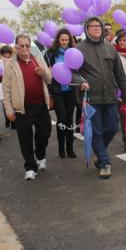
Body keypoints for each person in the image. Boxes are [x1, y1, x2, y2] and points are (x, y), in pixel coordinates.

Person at [73, 17, 126, 179]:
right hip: (91, 97)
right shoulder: (79, 49)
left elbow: (119, 73)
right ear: (86, 29)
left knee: (112, 127)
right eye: (93, 26)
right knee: (97, 131)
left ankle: (100, 153)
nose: (97, 28)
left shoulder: (110, 48)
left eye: (98, 25)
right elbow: (71, 73)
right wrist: (80, 82)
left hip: (111, 95)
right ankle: (104, 162)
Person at [2, 35, 53, 180]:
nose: (24, 48)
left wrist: (44, 73)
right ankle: (30, 167)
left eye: (27, 45)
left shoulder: (37, 59)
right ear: (16, 47)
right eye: (21, 46)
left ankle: (40, 154)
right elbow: (6, 89)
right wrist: (9, 109)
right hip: (22, 108)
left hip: (41, 105)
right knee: (25, 139)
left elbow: (49, 79)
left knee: (45, 132)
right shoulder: (11, 64)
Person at [45, 29, 78, 159]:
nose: (64, 42)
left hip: (70, 90)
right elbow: (44, 71)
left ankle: (70, 148)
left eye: (66, 40)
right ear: (58, 40)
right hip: (57, 91)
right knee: (62, 118)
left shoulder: (73, 53)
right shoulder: (50, 53)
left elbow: (78, 69)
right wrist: (48, 70)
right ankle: (61, 148)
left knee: (69, 119)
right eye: (62, 39)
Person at [0, 45, 15, 129]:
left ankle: (13, 122)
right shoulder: (0, 62)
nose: (6, 55)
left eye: (8, 53)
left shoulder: (13, 61)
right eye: (4, 53)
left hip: (13, 83)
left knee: (13, 102)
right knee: (6, 102)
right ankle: (8, 119)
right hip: (3, 84)